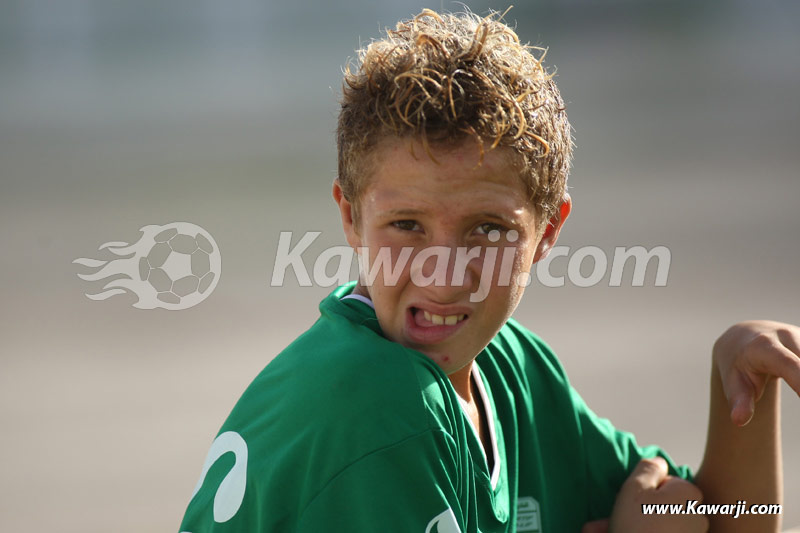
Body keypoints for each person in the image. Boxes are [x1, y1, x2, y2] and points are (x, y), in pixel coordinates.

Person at [179, 8, 798, 533]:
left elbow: (723, 515)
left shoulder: (514, 370)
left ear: (547, 232)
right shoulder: (378, 406)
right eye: (407, 226)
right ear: (350, 216)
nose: (446, 276)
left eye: (488, 230)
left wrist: (743, 387)